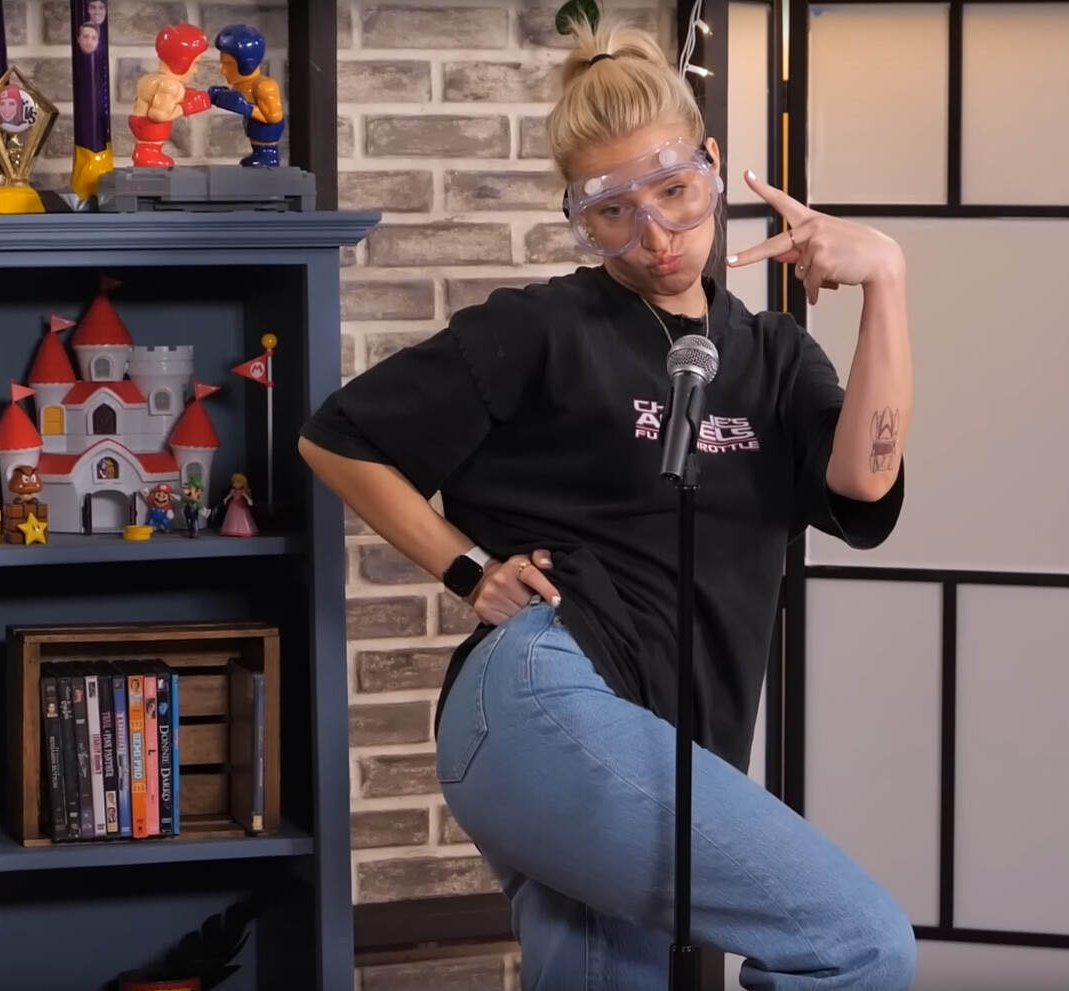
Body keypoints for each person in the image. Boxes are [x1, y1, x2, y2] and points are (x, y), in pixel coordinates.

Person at [298, 13, 916, 991]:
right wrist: (467, 568)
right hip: (545, 694)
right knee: (860, 944)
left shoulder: (775, 358)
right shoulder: (545, 328)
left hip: (658, 736)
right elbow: (337, 436)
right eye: (613, 212)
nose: (656, 235)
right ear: (579, 218)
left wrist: (885, 280)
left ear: (714, 167)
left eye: (675, 192)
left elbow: (864, 479)